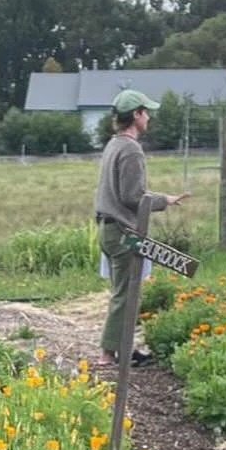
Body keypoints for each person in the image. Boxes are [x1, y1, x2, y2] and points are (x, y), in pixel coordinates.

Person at [95, 89, 189, 366]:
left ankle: (122, 349)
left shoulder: (113, 144)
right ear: (135, 115)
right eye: (145, 112)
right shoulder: (131, 149)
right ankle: (109, 353)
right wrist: (164, 200)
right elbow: (132, 196)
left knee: (122, 293)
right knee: (126, 295)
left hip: (108, 228)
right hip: (123, 232)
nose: (148, 117)